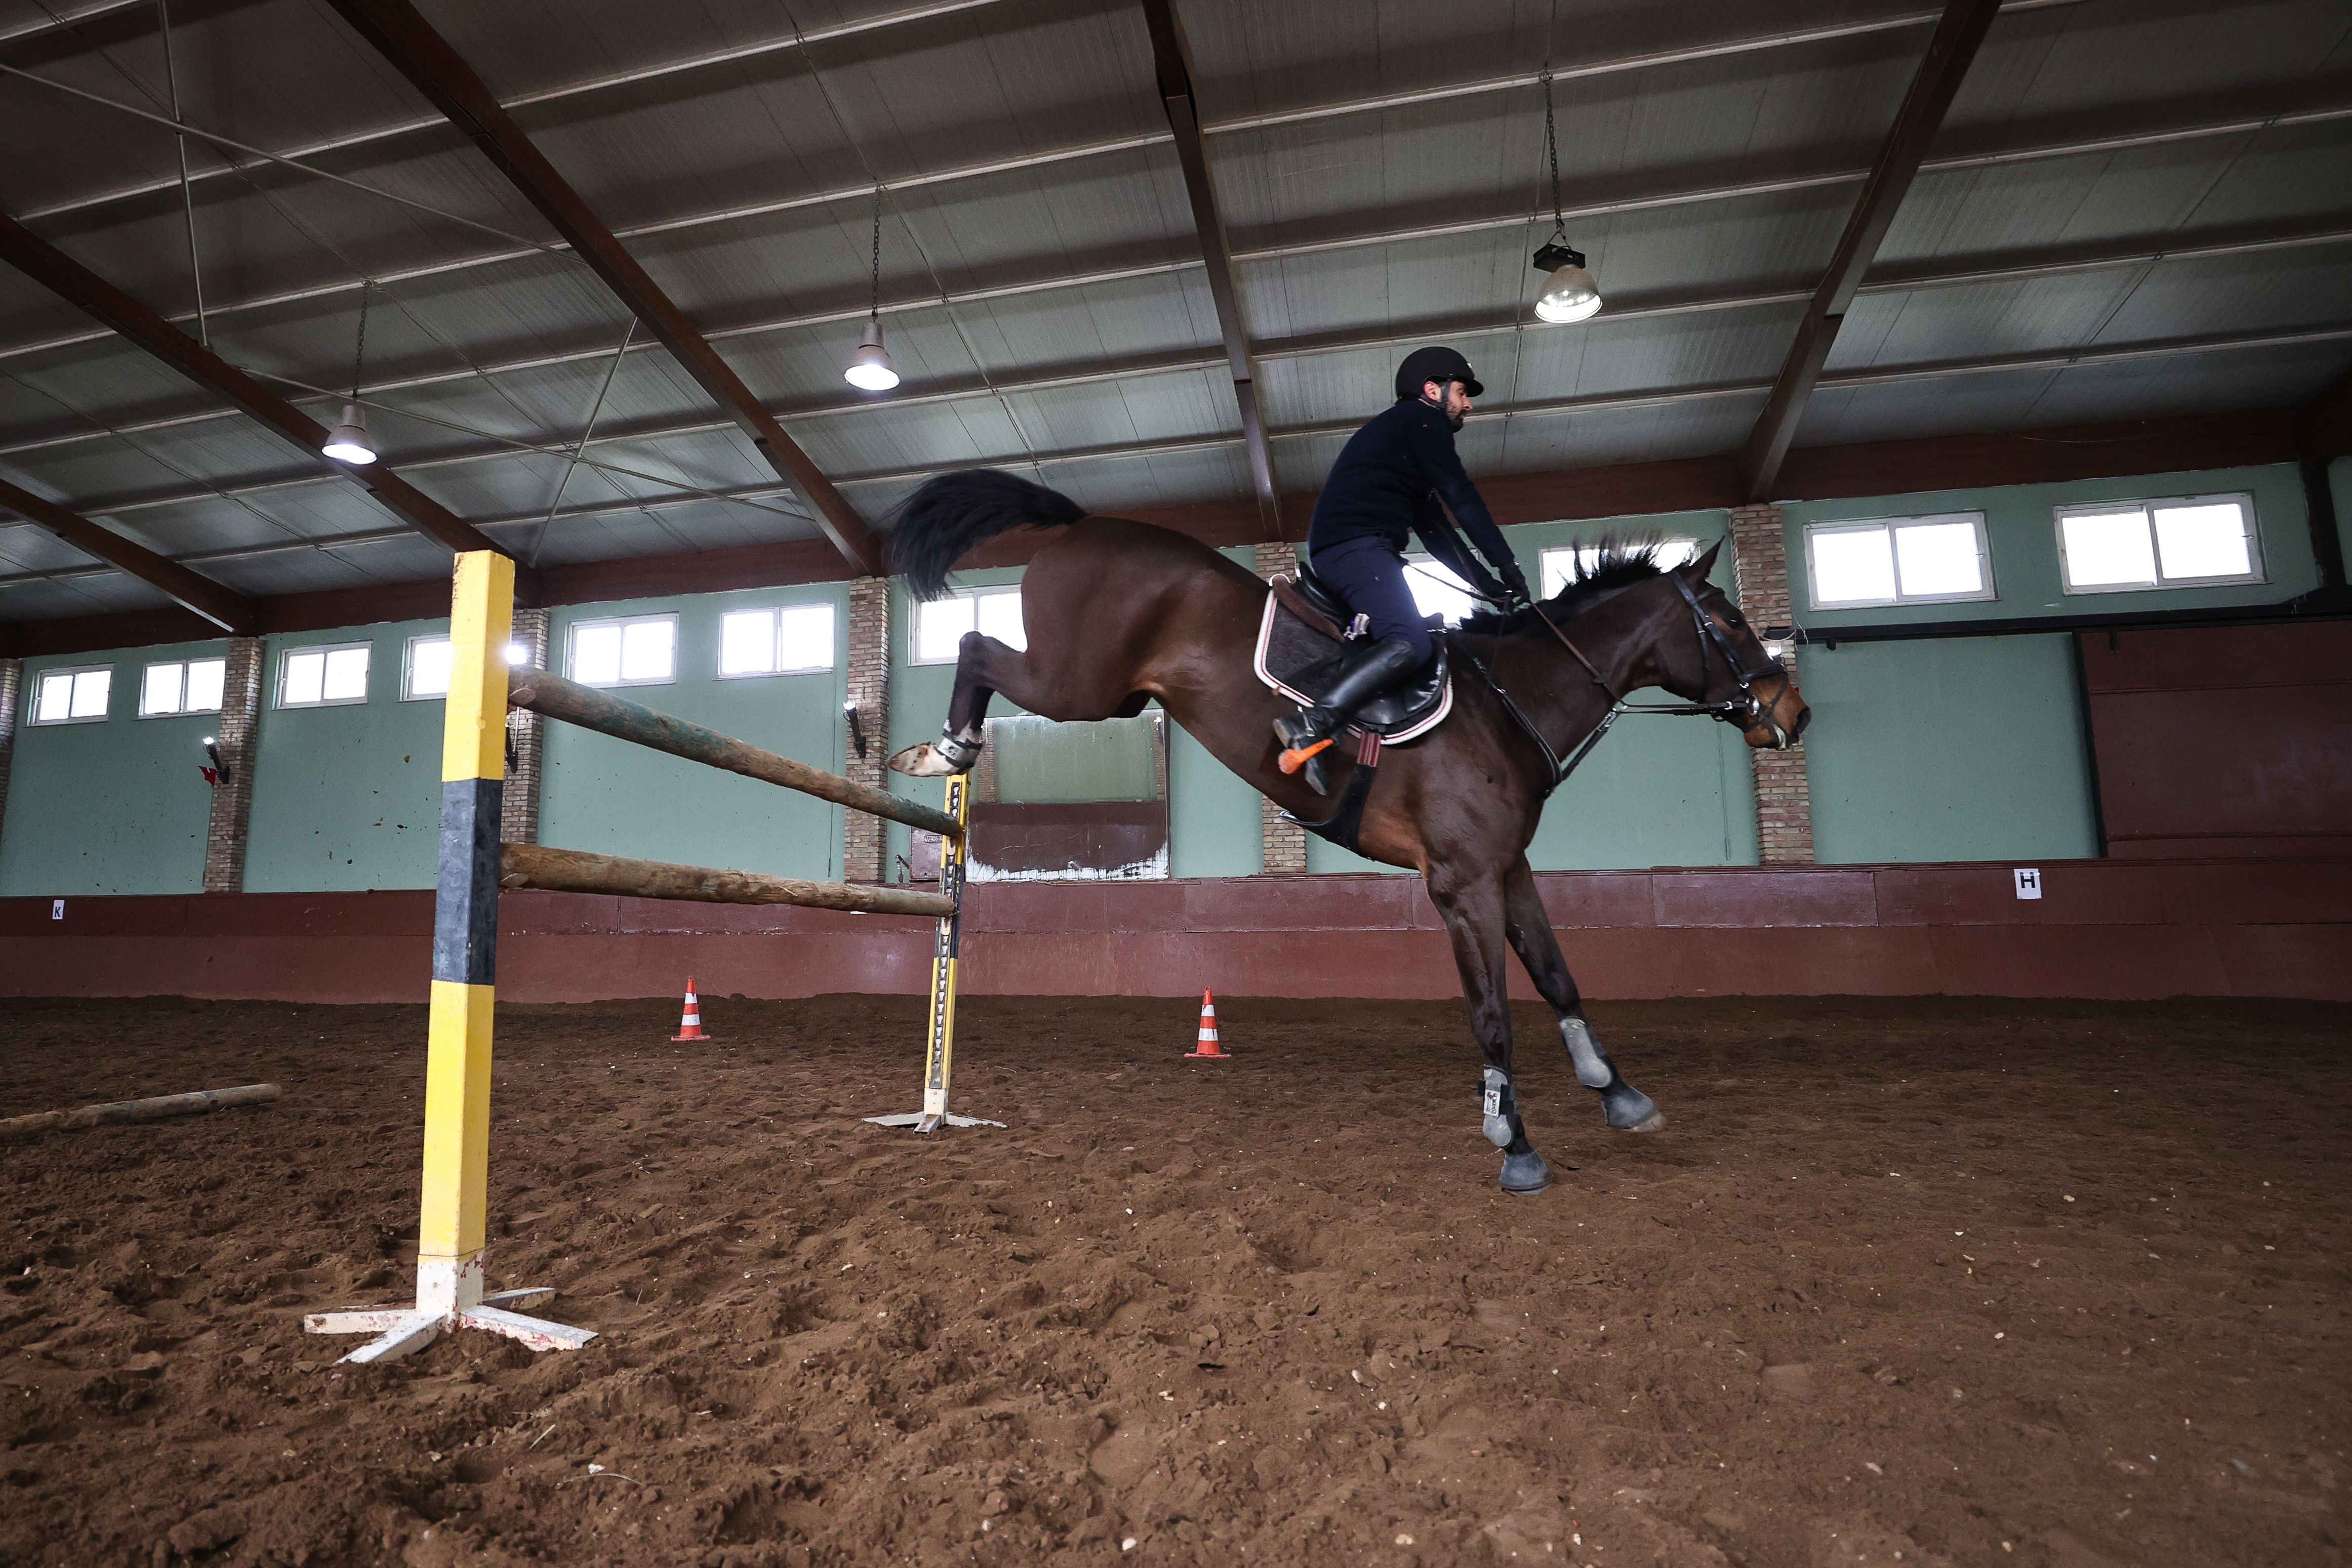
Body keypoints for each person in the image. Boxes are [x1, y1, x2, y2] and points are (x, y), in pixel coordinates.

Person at [1274, 345, 1533, 790]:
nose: (1468, 404)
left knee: (1400, 642)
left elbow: (1436, 530)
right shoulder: (1422, 420)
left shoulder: (1406, 439)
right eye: (1462, 392)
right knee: (1409, 642)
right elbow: (1463, 498)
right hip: (1356, 548)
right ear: (1432, 390)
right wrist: (1508, 563)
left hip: (1357, 548)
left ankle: (1337, 736)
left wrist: (1488, 584)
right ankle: (1312, 724)